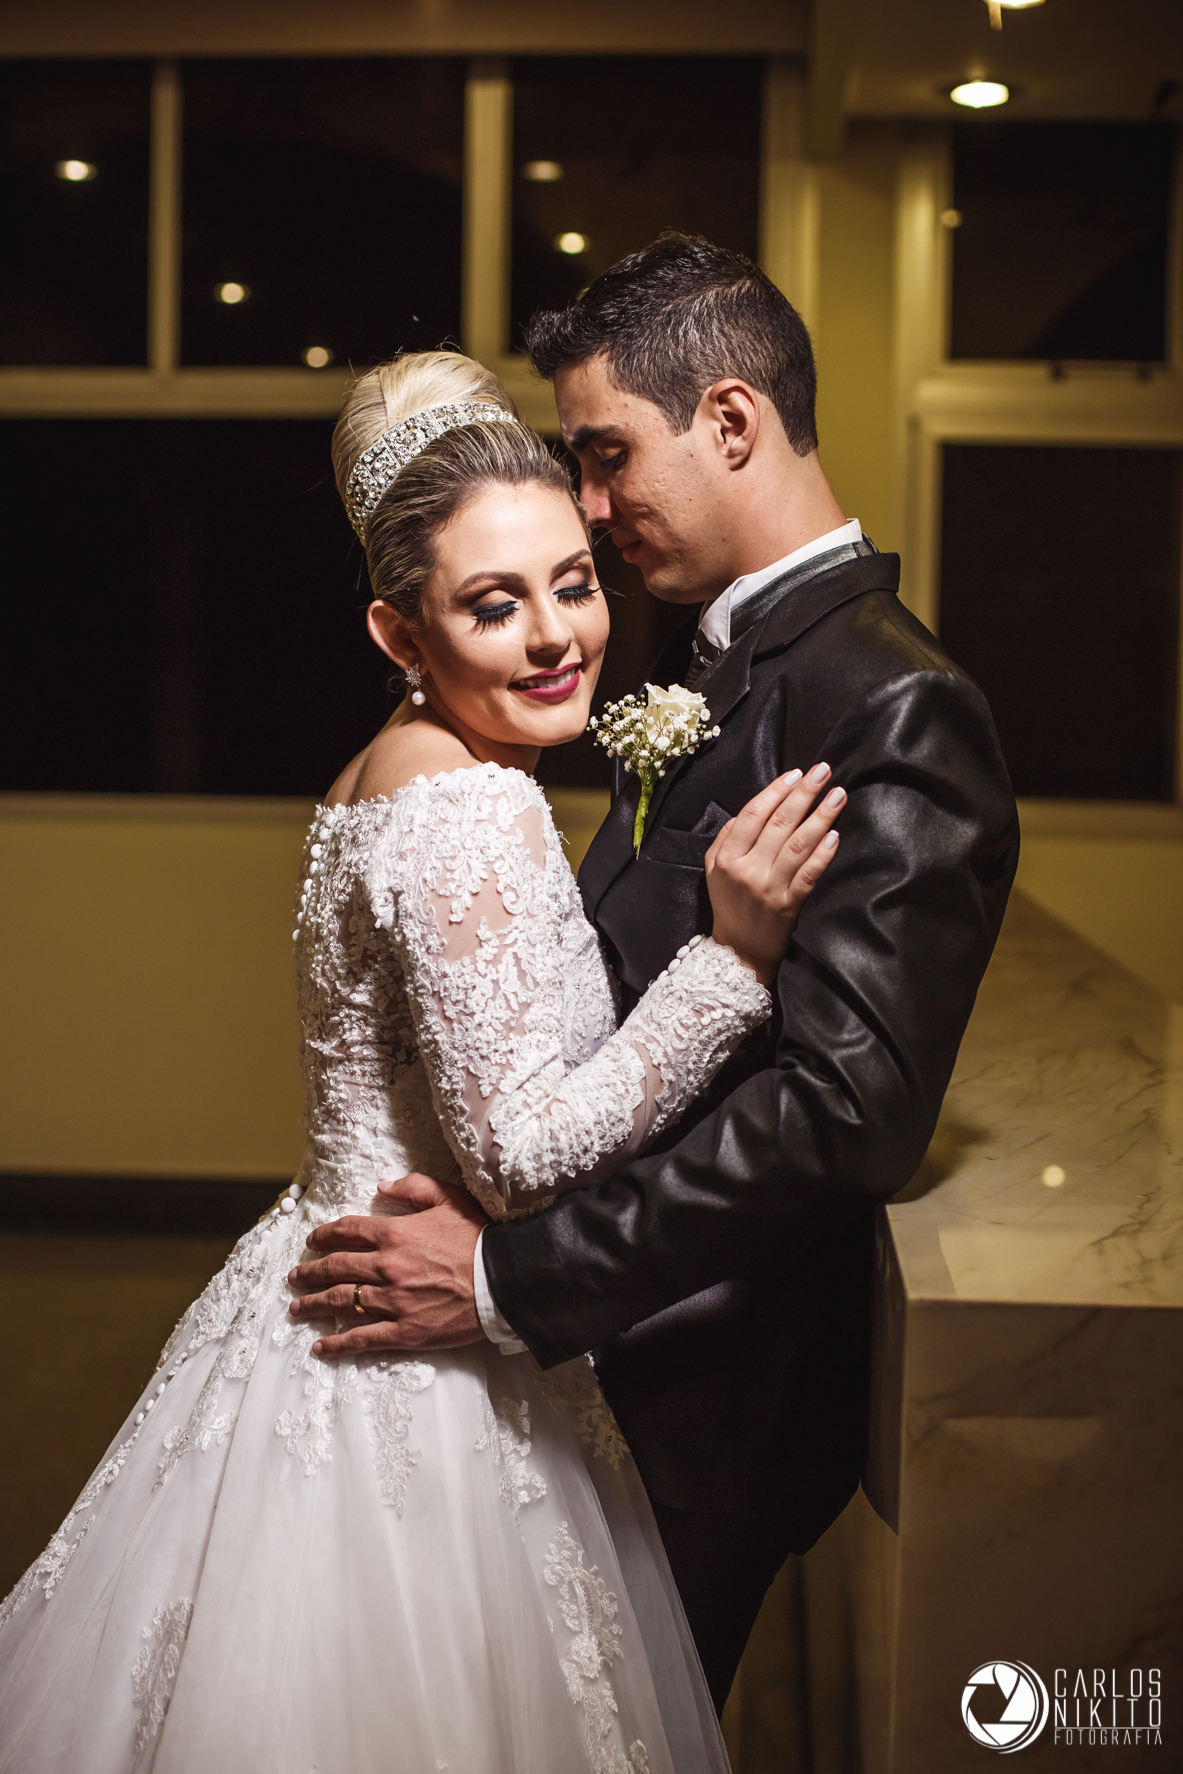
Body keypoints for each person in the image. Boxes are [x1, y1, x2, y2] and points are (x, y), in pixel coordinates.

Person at [0, 348, 845, 1774]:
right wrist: (733, 961)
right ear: (402, 634)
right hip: (418, 1352)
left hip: (323, 1286)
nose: (555, 637)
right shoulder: (467, 807)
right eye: (492, 605)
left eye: (573, 582)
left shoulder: (386, 767)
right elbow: (515, 1157)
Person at [288, 237, 1021, 1712]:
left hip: (699, 1391)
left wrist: (510, 1276)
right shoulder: (710, 654)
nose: (595, 506)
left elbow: (841, 1108)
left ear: (733, 423)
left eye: (609, 459)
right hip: (585, 1356)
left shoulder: (896, 699)